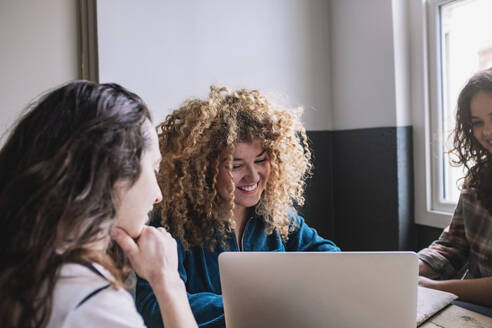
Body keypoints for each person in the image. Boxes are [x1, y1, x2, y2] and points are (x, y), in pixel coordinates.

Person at [136, 86, 340, 327]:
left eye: (261, 160)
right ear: (203, 169)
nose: (253, 176)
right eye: (236, 166)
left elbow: (331, 262)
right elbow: (155, 307)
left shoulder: (279, 218)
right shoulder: (171, 227)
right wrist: (259, 305)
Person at [0, 81, 197, 328]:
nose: (158, 195)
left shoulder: (28, 269)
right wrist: (168, 281)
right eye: (154, 168)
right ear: (116, 170)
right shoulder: (93, 304)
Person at [418, 68, 492, 307]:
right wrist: (408, 269)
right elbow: (453, 244)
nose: (487, 132)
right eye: (478, 123)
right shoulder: (478, 177)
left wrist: (435, 288)